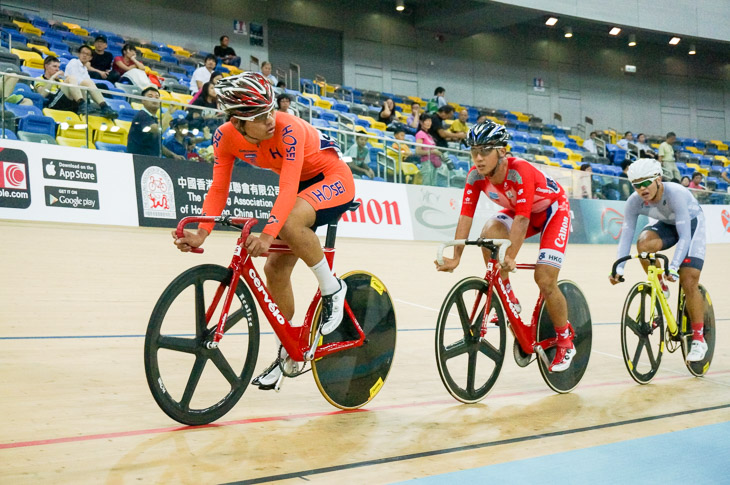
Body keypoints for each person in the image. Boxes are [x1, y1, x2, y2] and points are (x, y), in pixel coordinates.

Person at [172, 72, 353, 390]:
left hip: (331, 178)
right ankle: (289, 354)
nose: (270, 119)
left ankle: (333, 289)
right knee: (275, 269)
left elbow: (286, 189)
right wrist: (202, 232)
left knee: (285, 222)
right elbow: (218, 187)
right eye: (259, 116)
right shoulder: (225, 138)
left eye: (270, 109)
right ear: (238, 121)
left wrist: (268, 235)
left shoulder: (288, 128)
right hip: (299, 190)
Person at [435, 121, 576, 372]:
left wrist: (511, 256)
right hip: (522, 213)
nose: (478, 158)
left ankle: (565, 339)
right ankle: (508, 295)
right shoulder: (475, 176)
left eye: (485, 151)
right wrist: (456, 256)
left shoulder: (518, 171)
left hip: (552, 211)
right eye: (473, 151)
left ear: (501, 151)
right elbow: (465, 216)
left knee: (544, 278)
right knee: (489, 233)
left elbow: (522, 219)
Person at [609, 159, 708, 362]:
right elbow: (626, 235)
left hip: (691, 226)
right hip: (666, 225)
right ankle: (660, 284)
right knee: (643, 244)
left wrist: (673, 266)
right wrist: (619, 268)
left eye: (646, 182)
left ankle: (699, 339)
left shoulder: (676, 193)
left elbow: (685, 236)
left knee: (688, 280)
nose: (642, 189)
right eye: (637, 184)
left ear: (658, 179)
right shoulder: (634, 202)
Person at [63, 45, 118, 118]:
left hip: (79, 94)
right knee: (73, 78)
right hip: (66, 91)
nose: (84, 55)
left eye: (87, 54)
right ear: (79, 54)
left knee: (89, 82)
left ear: (90, 58)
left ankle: (104, 106)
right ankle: (82, 104)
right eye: (83, 53)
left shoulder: (85, 69)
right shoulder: (73, 62)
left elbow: (86, 84)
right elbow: (75, 81)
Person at [126, 86, 177, 158]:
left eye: (157, 97)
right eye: (150, 96)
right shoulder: (142, 115)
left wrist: (173, 155)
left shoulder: (154, 119)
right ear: (143, 100)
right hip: (139, 161)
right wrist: (168, 113)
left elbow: (157, 144)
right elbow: (158, 130)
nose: (154, 99)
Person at [415, 116, 443, 186]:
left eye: (430, 121)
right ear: (421, 122)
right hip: (426, 163)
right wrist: (432, 152)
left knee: (433, 185)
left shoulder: (429, 135)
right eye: (426, 121)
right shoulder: (420, 134)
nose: (428, 123)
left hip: (433, 163)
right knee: (426, 185)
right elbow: (418, 151)